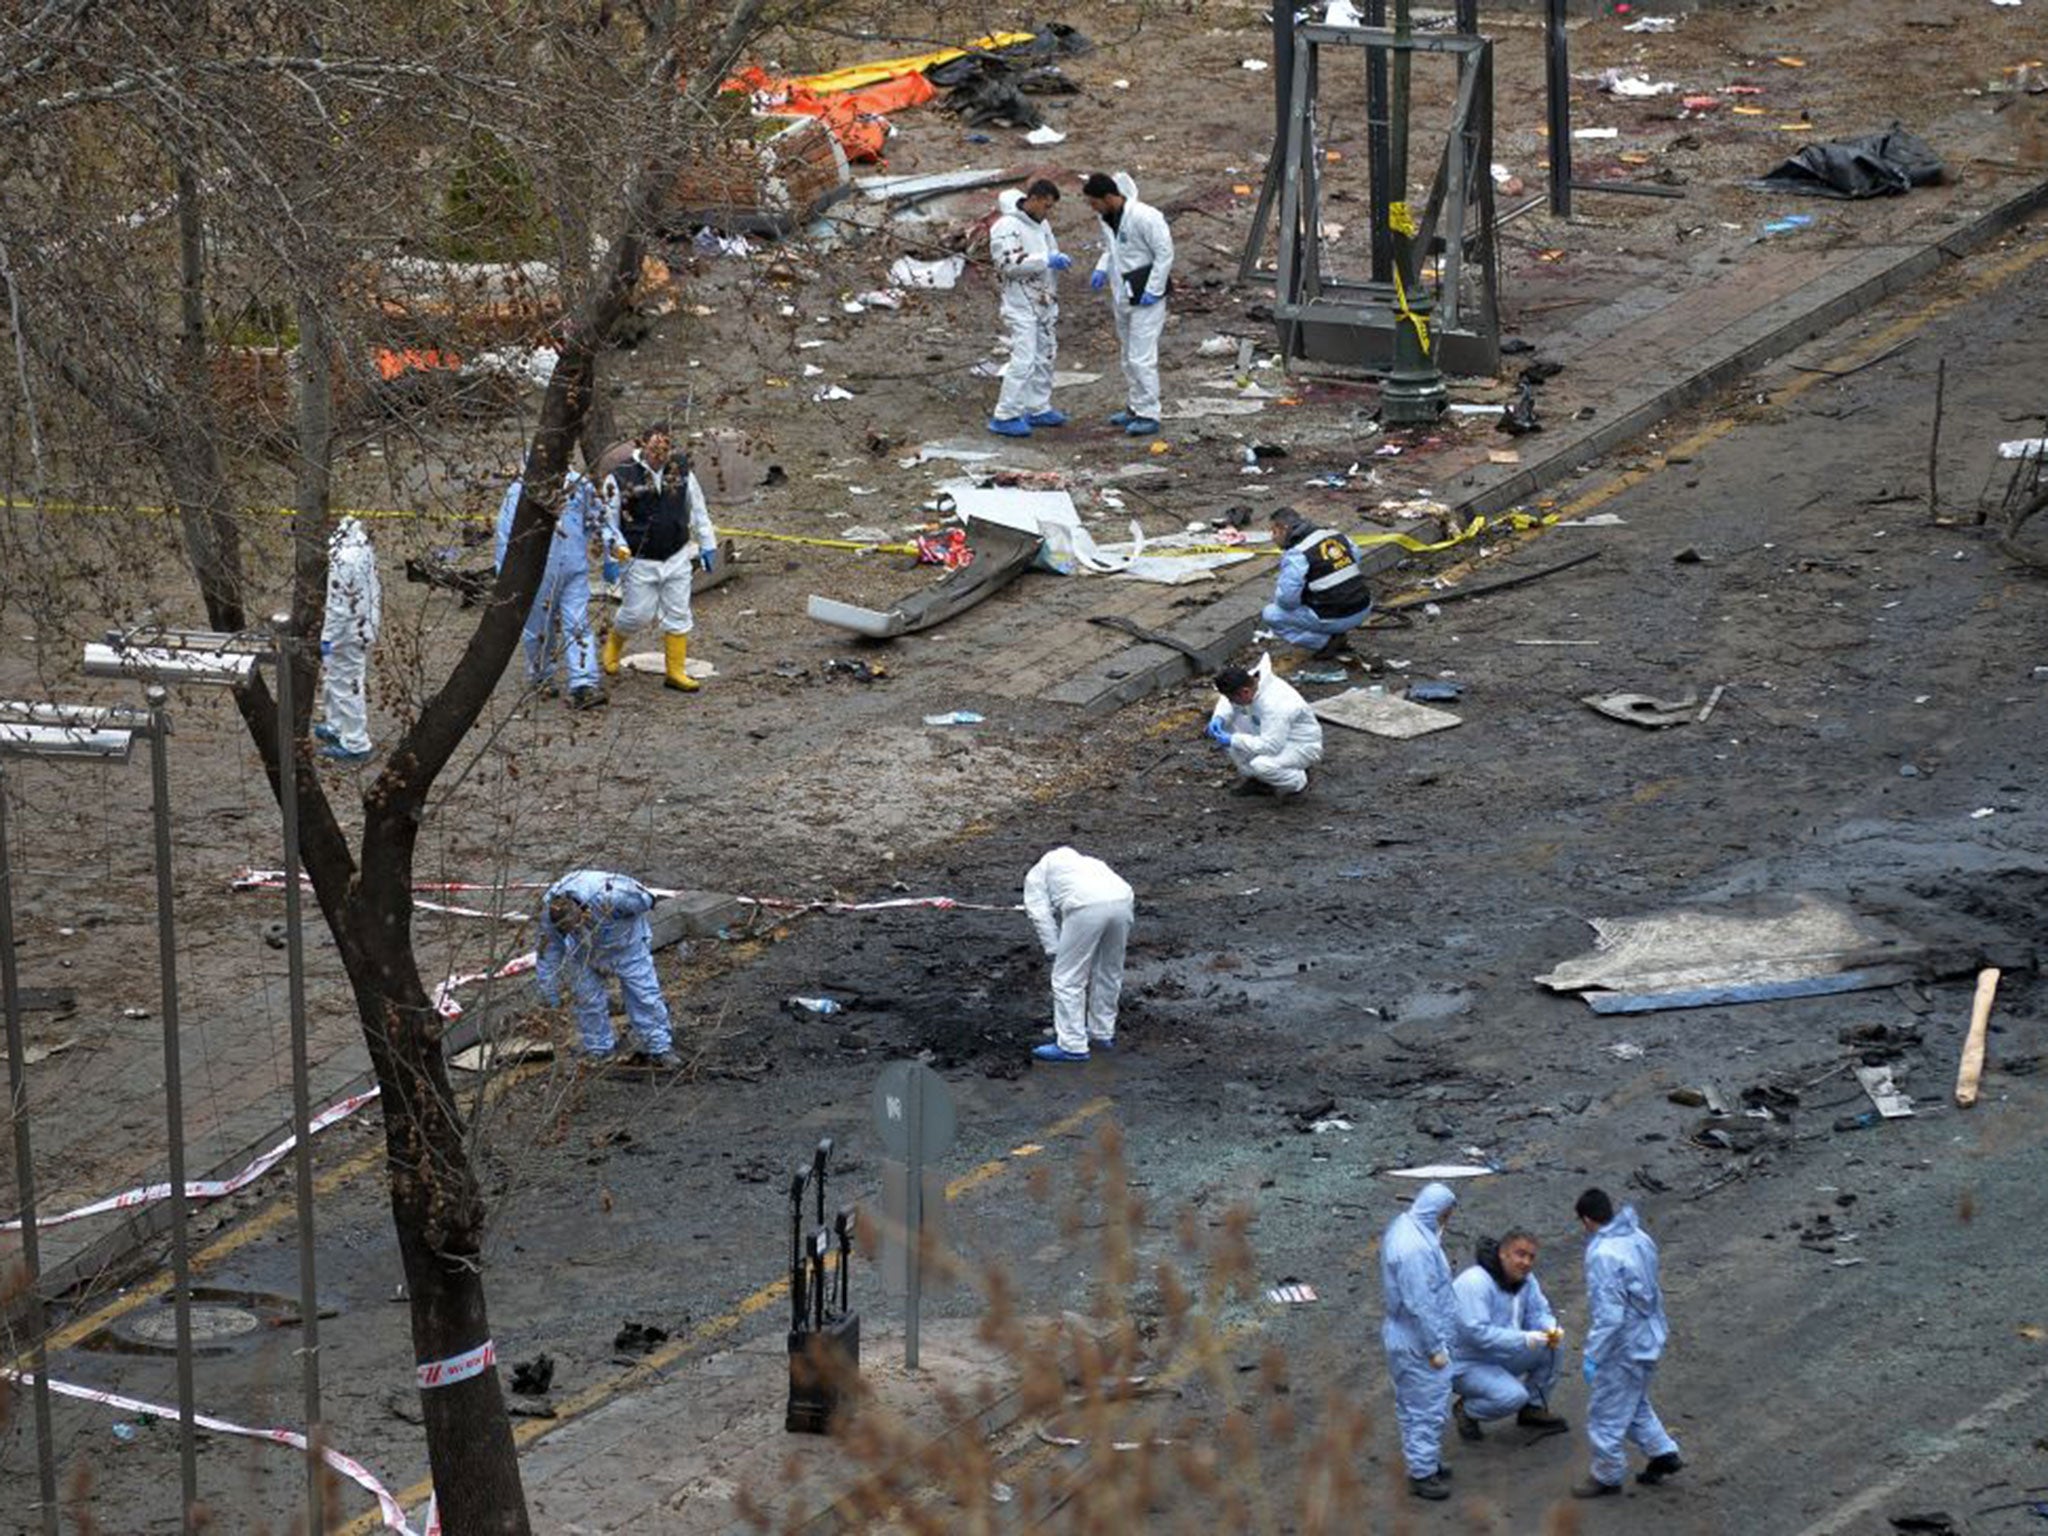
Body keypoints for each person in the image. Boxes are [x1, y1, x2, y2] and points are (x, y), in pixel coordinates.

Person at [1573, 1188, 1684, 1498]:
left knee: (1605, 1412)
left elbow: (1609, 1315)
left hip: (1625, 1346)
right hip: (1649, 1335)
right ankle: (1663, 1452)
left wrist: (1593, 1354)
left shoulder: (1603, 1254)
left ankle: (1606, 1476)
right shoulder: (1638, 1237)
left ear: (1587, 1220)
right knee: (1633, 1401)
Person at [600, 423, 717, 693]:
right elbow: (608, 520)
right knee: (637, 614)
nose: (659, 455)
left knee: (678, 612)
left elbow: (697, 507)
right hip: (639, 558)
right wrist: (612, 552)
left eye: (665, 449)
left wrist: (708, 543)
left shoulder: (680, 470)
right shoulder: (621, 477)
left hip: (676, 553)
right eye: (654, 449)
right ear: (642, 446)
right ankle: (615, 643)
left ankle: (675, 671)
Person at [533, 870, 681, 1070]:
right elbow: (548, 953)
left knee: (644, 996)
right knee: (587, 1000)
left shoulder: (616, 896)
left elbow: (647, 899)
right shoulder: (549, 913)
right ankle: (599, 1050)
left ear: (583, 912)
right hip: (583, 952)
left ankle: (659, 1047)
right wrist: (548, 993)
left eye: (577, 926)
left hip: (627, 947)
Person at [495, 466, 605, 709]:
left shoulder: (578, 484)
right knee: (538, 629)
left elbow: (597, 517)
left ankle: (583, 683)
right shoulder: (522, 489)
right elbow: (506, 534)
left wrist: (611, 546)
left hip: (573, 569)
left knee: (578, 624)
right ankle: (541, 675)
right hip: (536, 572)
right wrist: (505, 574)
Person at [1380, 1182, 1461, 1500]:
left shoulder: (1407, 1228)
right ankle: (1422, 1473)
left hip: (1406, 1337)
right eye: (1446, 1215)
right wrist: (1435, 1348)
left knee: (1413, 1404)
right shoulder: (1414, 1249)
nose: (1447, 1221)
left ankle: (1424, 1459)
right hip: (1417, 1342)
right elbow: (1421, 1304)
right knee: (1427, 1406)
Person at [1451, 1230, 1568, 1441]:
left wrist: (1550, 1328)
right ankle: (1467, 1410)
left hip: (1500, 1353)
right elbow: (1476, 1333)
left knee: (1554, 1346)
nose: (1526, 1262)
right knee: (1513, 1396)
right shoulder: (1475, 1282)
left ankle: (1532, 1408)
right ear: (1502, 1254)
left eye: (1531, 1257)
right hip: (1465, 1363)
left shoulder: (1526, 1280)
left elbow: (1538, 1312)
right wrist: (1523, 1339)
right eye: (1520, 1254)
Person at [1082, 171, 1174, 437]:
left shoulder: (1146, 217)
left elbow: (1164, 253)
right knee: (1127, 356)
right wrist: (1101, 268)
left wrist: (1154, 288)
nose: (1093, 208)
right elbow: (1112, 250)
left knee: (1141, 357)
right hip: (1123, 293)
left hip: (1146, 294)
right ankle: (1135, 405)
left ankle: (1149, 412)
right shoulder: (1107, 218)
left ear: (1109, 197)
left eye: (1094, 202)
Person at [1022, 847, 1135, 1064]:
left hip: (1085, 905)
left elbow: (1039, 913)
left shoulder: (1037, 872)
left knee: (1067, 978)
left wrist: (1054, 949)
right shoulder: (1089, 862)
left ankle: (1072, 1045)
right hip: (1123, 898)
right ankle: (1101, 1033)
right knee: (1109, 970)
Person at [987, 180, 1073, 439]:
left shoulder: (1041, 224)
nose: (1048, 212)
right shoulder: (1006, 226)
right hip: (1020, 304)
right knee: (1023, 359)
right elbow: (1007, 264)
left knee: (1045, 355)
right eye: (1046, 205)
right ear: (1034, 199)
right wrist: (1045, 260)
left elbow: (1050, 251)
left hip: (1043, 300)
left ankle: (1037, 407)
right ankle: (1005, 414)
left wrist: (1055, 263)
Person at [1263, 507, 1373, 658]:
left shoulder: (1297, 553)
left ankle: (1325, 642)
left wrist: (1305, 598)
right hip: (1363, 607)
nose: (1272, 538)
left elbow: (1287, 601)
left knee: (1272, 614)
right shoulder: (1335, 535)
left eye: (1273, 531)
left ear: (1283, 529)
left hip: (1335, 616)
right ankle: (1334, 629)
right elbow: (1356, 558)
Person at [315, 515, 381, 764]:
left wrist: (328, 638)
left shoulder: (342, 559)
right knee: (335, 679)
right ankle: (336, 726)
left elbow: (338, 607)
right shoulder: (360, 546)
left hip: (347, 632)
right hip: (361, 625)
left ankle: (355, 743)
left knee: (346, 684)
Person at [1206, 661, 1324, 797]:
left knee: (1262, 765)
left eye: (1232, 699)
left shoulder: (1276, 705)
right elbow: (1227, 700)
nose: (1231, 702)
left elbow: (1271, 746)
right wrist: (1219, 717)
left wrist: (1233, 740)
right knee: (1227, 725)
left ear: (1245, 692)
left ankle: (1297, 781)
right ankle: (1259, 780)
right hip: (1269, 731)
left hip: (1300, 745)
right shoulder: (1250, 680)